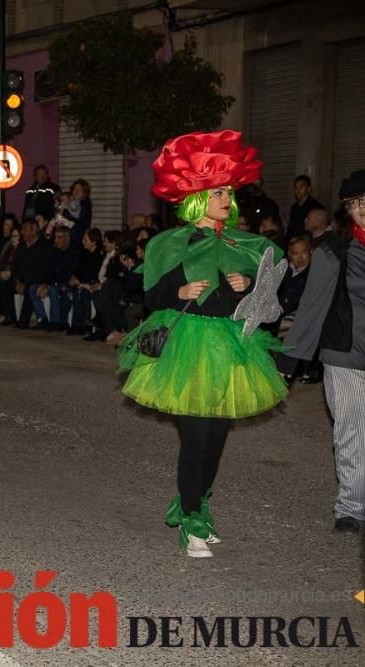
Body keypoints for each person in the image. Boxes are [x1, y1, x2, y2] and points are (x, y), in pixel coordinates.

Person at [118, 130, 288, 558]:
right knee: (196, 437)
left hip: (231, 346)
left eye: (228, 193)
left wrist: (247, 284)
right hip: (189, 347)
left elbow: (269, 299)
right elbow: (149, 297)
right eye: (217, 194)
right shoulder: (168, 244)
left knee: (216, 438)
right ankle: (192, 519)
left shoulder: (244, 244)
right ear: (197, 199)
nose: (226, 200)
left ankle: (193, 504)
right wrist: (177, 293)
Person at [281, 170, 365, 534]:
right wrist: (288, 360)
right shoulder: (334, 247)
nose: (361, 210)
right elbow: (313, 304)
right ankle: (351, 507)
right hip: (344, 353)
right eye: (354, 203)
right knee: (350, 431)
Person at [29, 226, 79, 331]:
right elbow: (49, 270)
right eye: (55, 237)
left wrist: (51, 284)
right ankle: (42, 318)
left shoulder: (74, 252)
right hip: (53, 282)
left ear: (67, 238)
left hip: (66, 284)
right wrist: (45, 284)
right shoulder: (54, 251)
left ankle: (55, 321)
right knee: (33, 289)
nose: (56, 241)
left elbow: (70, 273)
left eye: (59, 238)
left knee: (53, 289)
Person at [67, 228, 105, 335]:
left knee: (81, 292)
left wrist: (81, 282)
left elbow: (96, 274)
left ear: (94, 242)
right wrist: (74, 278)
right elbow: (79, 270)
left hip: (94, 285)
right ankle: (75, 323)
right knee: (71, 289)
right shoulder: (84, 253)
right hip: (84, 283)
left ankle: (81, 324)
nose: (83, 241)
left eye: (86, 239)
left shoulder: (100, 255)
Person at [288, 175, 325, 240]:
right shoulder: (294, 207)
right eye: (296, 188)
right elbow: (290, 228)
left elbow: (319, 230)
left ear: (308, 189)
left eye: (301, 187)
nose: (298, 190)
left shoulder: (316, 207)